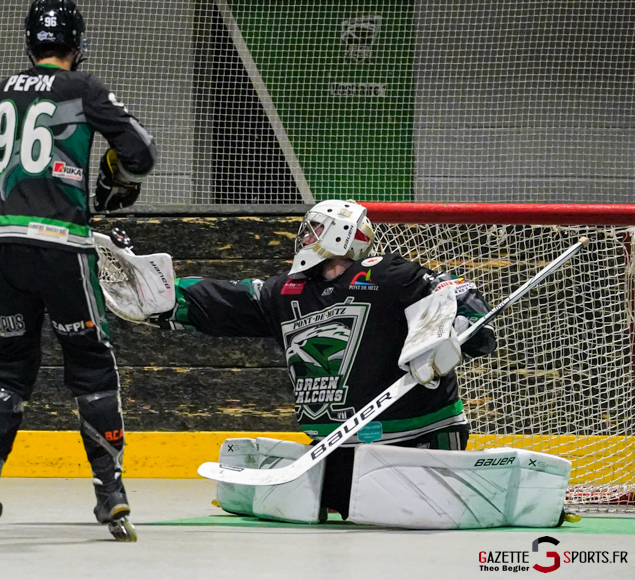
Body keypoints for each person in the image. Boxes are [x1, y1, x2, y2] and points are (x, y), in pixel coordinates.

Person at [141, 199, 501, 524]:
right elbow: (231, 300)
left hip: (417, 439)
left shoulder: (388, 275)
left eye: (315, 228)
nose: (306, 236)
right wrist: (169, 298)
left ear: (343, 234)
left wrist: (460, 320)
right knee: (322, 512)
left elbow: (450, 290)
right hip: (336, 445)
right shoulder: (287, 290)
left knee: (399, 519)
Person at [0, 0, 156, 543]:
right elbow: (142, 150)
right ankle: (110, 493)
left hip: (1, 247)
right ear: (77, 44)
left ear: (29, 43)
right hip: (61, 246)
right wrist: (116, 174)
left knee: (7, 364)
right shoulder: (83, 88)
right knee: (89, 363)